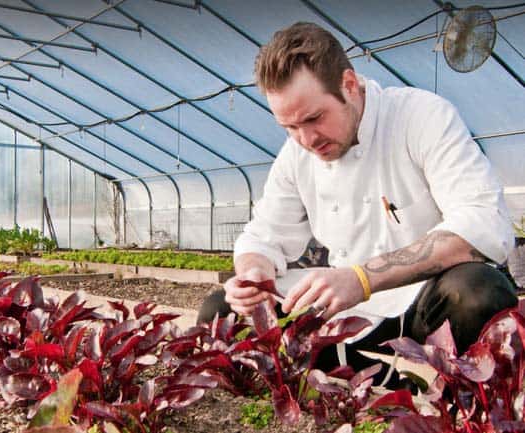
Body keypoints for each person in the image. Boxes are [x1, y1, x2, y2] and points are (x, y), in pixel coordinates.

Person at [198, 22, 518, 384]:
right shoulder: (297, 155)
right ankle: (362, 390)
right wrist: (255, 274)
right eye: (289, 127)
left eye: (315, 118)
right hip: (343, 313)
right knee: (219, 310)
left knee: (478, 293)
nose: (306, 139)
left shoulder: (421, 117)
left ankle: (454, 402)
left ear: (349, 85)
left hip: (421, 309)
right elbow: (264, 235)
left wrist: (362, 278)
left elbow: (481, 223)